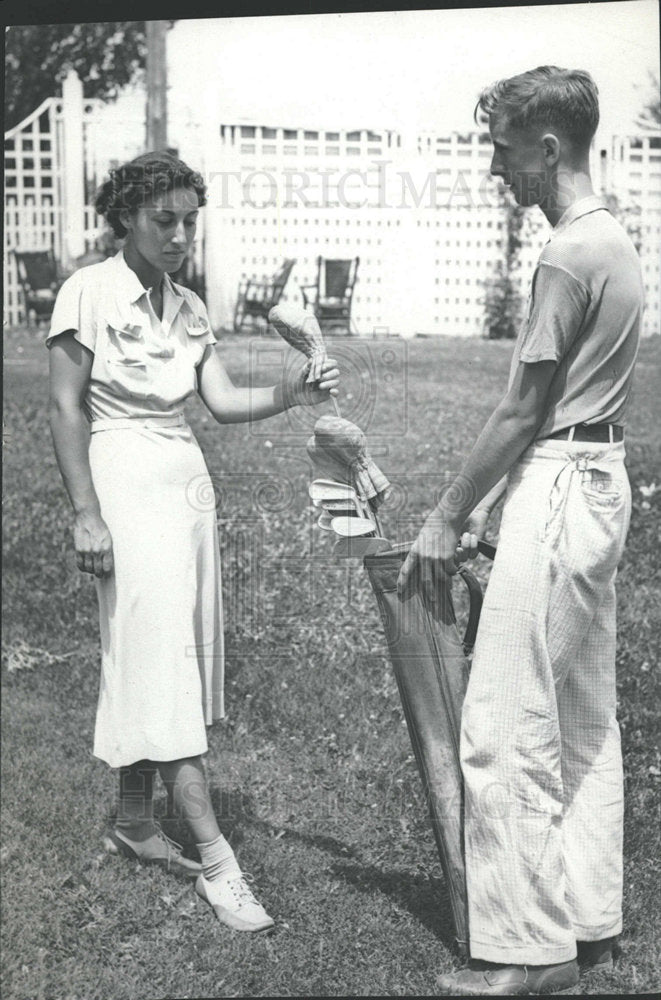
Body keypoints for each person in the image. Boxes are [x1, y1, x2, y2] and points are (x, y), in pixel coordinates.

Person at [47, 151, 340, 934]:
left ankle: (136, 821)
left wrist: (291, 392)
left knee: (171, 648)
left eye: (187, 221)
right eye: (162, 220)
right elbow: (66, 408)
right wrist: (86, 512)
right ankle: (218, 863)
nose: (178, 235)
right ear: (126, 219)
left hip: (185, 488)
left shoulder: (190, 305)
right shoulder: (87, 291)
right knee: (160, 661)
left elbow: (219, 400)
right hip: (121, 479)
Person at [398, 67, 643, 996]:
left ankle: (526, 952)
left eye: (502, 147)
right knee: (579, 716)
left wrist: (446, 515)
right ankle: (587, 920)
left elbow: (518, 412)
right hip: (598, 481)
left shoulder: (565, 255)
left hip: (558, 483)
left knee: (502, 724)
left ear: (547, 148)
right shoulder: (613, 238)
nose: (495, 166)